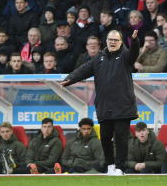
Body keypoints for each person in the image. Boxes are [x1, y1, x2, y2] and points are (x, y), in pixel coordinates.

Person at [60, 30, 140, 176]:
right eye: (111, 39)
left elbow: (134, 54)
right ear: (106, 41)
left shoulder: (125, 56)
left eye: (116, 40)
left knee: (121, 137)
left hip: (123, 105)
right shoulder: (99, 58)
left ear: (121, 42)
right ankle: (110, 165)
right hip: (104, 106)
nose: (113, 42)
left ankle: (121, 168)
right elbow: (84, 70)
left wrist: (134, 41)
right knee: (105, 137)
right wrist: (70, 78)